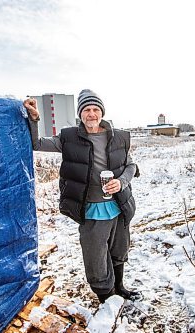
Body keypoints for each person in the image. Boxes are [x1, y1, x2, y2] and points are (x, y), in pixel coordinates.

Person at [23, 89, 139, 303]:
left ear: (102, 112)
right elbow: (36, 144)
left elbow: (131, 166)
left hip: (119, 205)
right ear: (80, 114)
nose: (91, 114)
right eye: (86, 109)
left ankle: (120, 287)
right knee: (96, 257)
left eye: (95, 109)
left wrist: (121, 182)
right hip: (92, 208)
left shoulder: (120, 137)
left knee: (118, 249)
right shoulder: (69, 138)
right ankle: (106, 298)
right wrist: (34, 119)